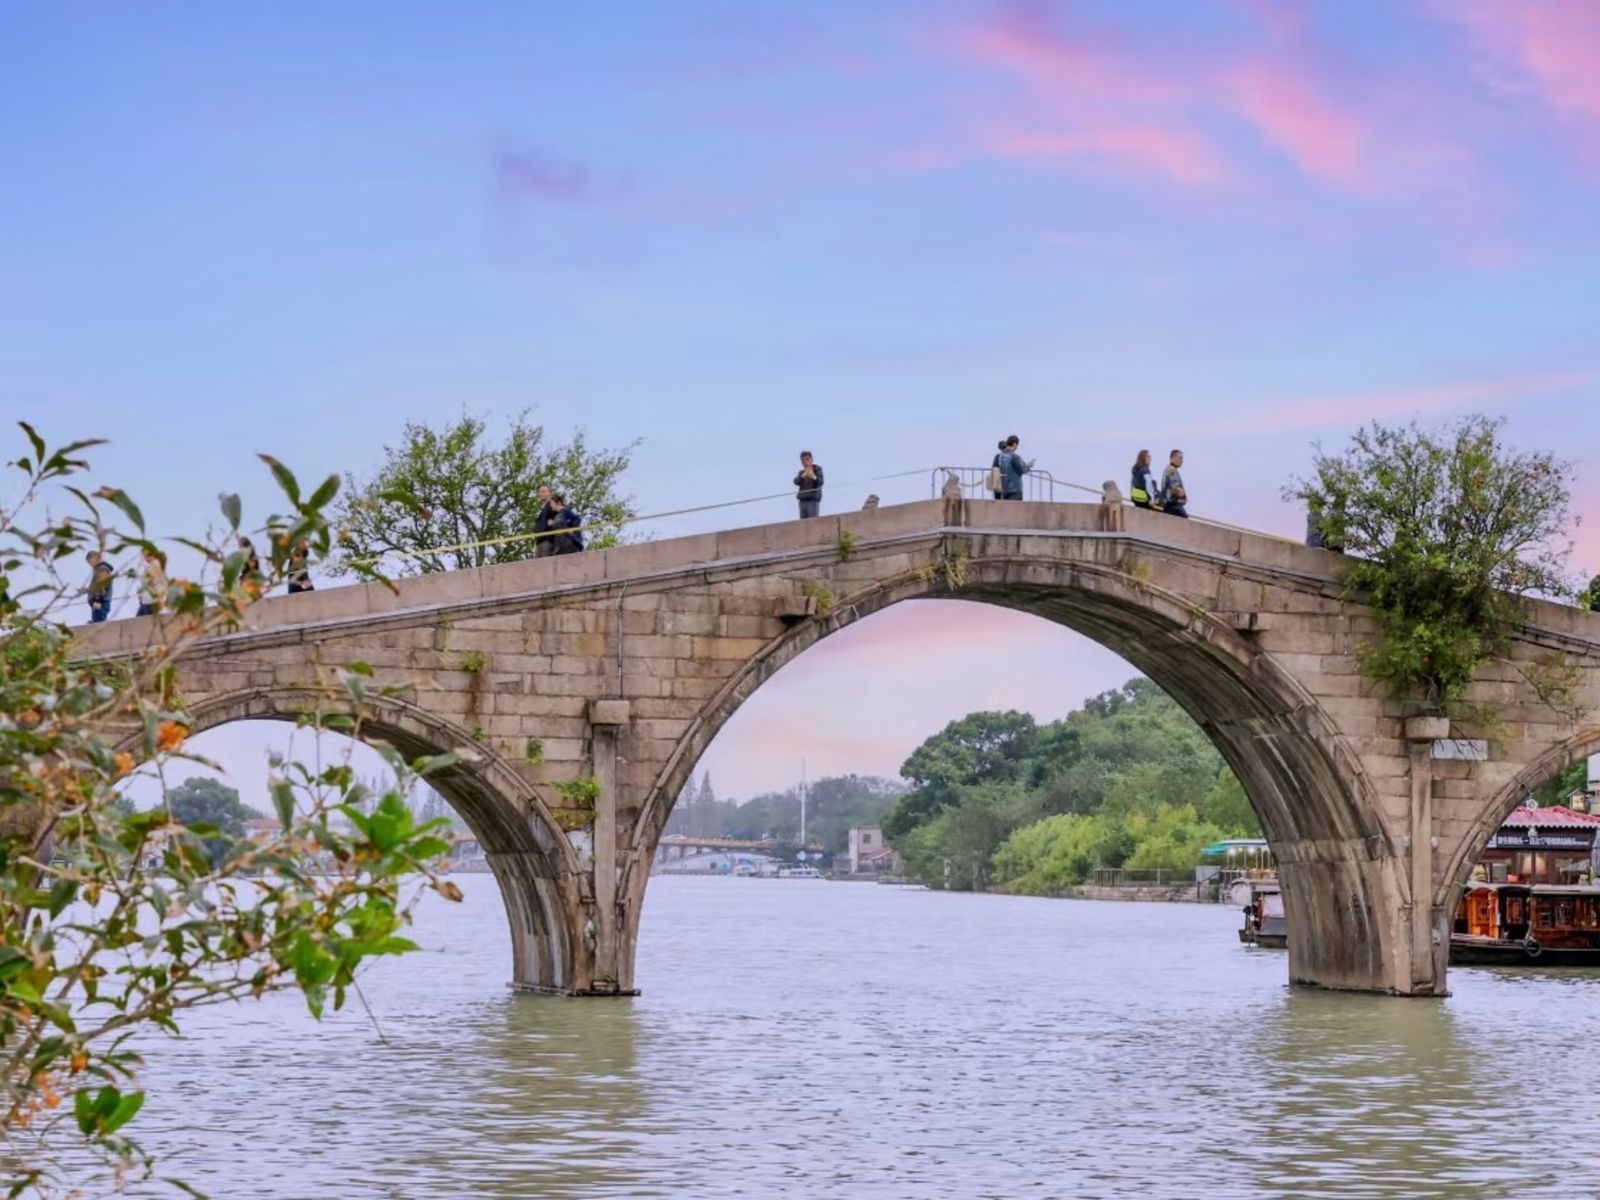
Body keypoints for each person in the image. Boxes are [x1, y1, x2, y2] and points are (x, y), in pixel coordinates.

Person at [996, 435, 1032, 501]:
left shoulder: (1001, 456)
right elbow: (1021, 470)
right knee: (1016, 510)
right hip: (1015, 489)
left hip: (1005, 489)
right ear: (1015, 444)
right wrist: (1028, 467)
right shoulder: (1014, 456)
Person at [86, 550, 114, 623]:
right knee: (96, 623)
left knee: (98, 625)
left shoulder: (102, 569)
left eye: (90, 562)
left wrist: (97, 601)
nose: (90, 564)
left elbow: (102, 587)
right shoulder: (99, 570)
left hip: (100, 603)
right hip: (98, 603)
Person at [794, 452, 824, 519]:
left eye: (807, 459)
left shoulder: (817, 469)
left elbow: (820, 482)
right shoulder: (801, 473)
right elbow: (796, 481)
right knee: (803, 523)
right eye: (803, 460)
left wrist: (813, 476)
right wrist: (803, 476)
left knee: (813, 522)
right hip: (802, 501)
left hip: (812, 500)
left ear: (811, 459)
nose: (805, 462)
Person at [137, 547, 165, 616]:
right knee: (138, 620)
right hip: (147, 600)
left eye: (143, 555)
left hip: (151, 601)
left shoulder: (155, 564)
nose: (143, 558)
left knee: (142, 621)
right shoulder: (155, 564)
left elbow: (149, 579)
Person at [1160, 449, 1188, 518]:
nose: (1181, 460)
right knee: (1184, 520)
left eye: (1182, 458)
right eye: (1180, 458)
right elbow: (1175, 487)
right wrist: (1182, 495)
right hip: (1173, 504)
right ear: (1173, 458)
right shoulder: (1172, 470)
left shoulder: (1169, 469)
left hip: (1169, 504)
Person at [533, 485, 555, 558]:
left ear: (550, 493)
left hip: (548, 541)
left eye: (544, 491)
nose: (541, 494)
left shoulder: (553, 505)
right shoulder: (542, 509)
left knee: (546, 565)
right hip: (539, 542)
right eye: (540, 492)